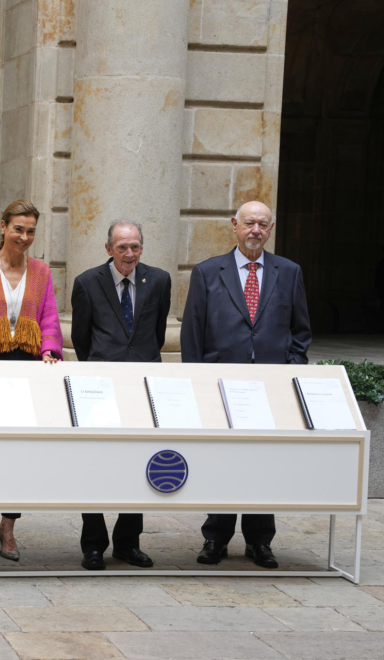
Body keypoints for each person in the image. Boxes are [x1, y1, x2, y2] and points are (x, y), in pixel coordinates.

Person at [181, 200, 311, 569]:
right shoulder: (207, 272)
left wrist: (290, 373)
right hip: (220, 385)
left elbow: (301, 331)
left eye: (263, 224)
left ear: (271, 230)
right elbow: (192, 331)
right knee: (223, 461)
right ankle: (215, 539)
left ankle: (259, 541)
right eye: (250, 223)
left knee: (263, 462)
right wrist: (197, 380)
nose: (256, 230)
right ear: (234, 225)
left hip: (270, 388)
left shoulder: (289, 271)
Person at [0, 199, 63, 561]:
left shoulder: (43, 272)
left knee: (21, 451)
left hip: (27, 369)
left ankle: (9, 524)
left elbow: (49, 316)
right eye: (18, 228)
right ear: (3, 227)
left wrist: (49, 350)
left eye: (31, 230)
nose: (24, 236)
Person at [70, 220, 172, 570]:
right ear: (108, 248)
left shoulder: (158, 280)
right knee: (94, 464)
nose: (129, 254)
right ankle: (94, 545)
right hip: (99, 387)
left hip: (143, 386)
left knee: (139, 463)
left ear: (142, 248)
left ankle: (128, 542)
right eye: (122, 247)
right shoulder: (86, 282)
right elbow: (82, 339)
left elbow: (157, 333)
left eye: (135, 247)